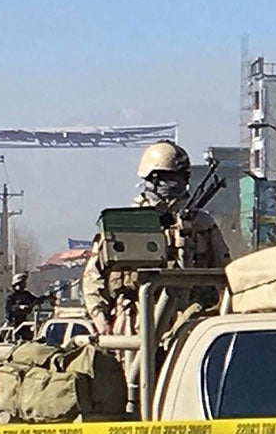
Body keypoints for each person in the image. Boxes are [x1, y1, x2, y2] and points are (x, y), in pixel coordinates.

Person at [81, 141, 230, 337]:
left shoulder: (202, 224)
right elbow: (94, 277)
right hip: (135, 324)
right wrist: (100, 318)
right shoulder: (126, 222)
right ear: (152, 179)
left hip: (191, 324)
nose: (175, 184)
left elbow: (226, 272)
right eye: (168, 178)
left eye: (179, 177)